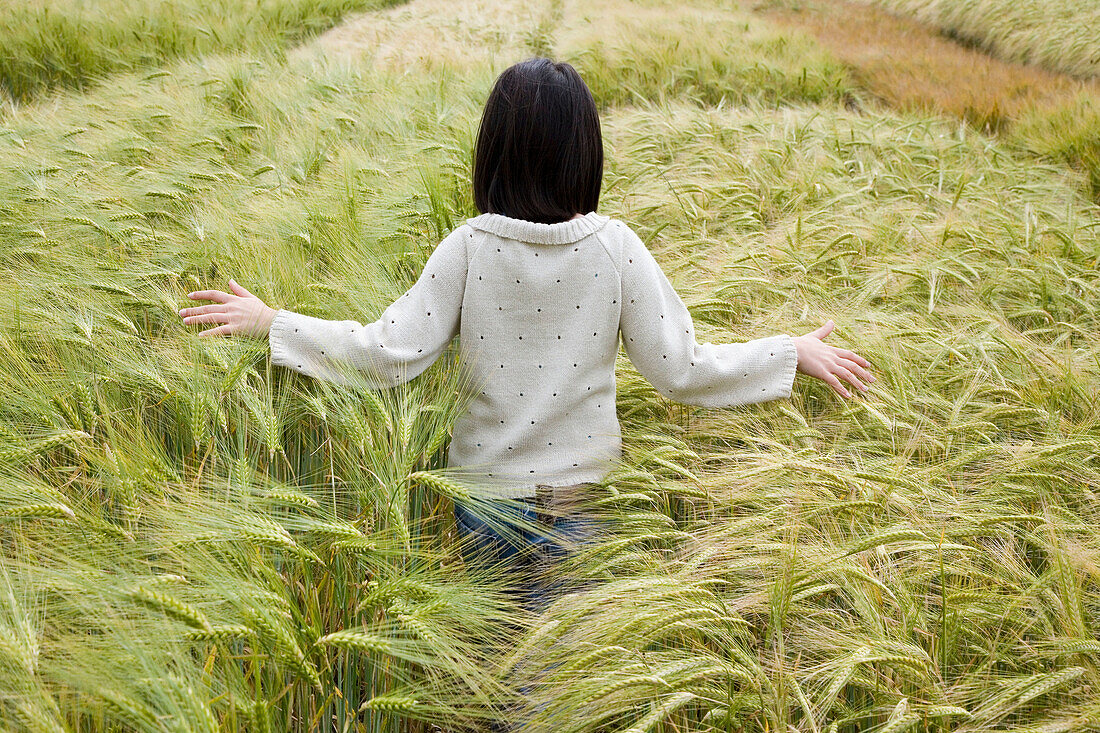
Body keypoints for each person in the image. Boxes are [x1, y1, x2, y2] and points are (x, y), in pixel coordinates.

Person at [177, 57, 875, 612]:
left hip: (482, 504)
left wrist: (275, 322)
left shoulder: (467, 247)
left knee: (490, 668)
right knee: (558, 684)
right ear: (585, 153)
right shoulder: (617, 248)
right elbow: (680, 368)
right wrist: (792, 352)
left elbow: (386, 353)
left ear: (496, 152)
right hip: (579, 507)